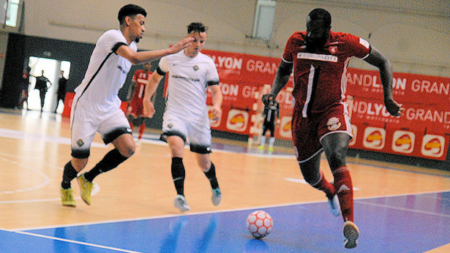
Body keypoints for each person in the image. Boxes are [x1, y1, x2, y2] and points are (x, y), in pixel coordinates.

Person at [265, 8, 404, 249]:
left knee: (337, 155)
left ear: (328, 31)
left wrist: (388, 97)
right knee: (310, 176)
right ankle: (329, 190)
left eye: (315, 31)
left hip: (332, 111)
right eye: (308, 28)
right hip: (302, 118)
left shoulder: (345, 43)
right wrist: (273, 92)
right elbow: (283, 70)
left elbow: (383, 62)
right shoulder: (296, 41)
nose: (309, 34)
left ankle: (349, 223)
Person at [59, 4, 194, 207]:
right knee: (79, 161)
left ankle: (88, 179)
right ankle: (65, 185)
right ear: (128, 21)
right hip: (87, 106)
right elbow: (134, 59)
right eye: (141, 23)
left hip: (110, 107)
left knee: (128, 148)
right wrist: (170, 50)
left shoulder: (134, 46)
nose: (144, 28)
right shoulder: (112, 37)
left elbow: (134, 55)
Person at [143, 22, 223, 212]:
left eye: (202, 41)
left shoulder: (207, 63)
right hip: (175, 114)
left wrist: (217, 106)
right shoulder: (172, 57)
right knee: (176, 150)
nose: (198, 45)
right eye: (195, 40)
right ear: (187, 38)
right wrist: (147, 98)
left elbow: (216, 90)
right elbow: (155, 78)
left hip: (198, 119)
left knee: (204, 163)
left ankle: (215, 185)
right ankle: (180, 196)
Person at [126, 62, 153, 145]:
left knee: (142, 119)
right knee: (130, 117)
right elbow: (133, 85)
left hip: (144, 101)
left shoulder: (151, 75)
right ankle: (130, 137)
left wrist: (151, 102)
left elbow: (153, 90)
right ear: (143, 65)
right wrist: (129, 97)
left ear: (150, 66)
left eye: (148, 64)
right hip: (135, 99)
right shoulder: (138, 73)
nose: (147, 66)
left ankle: (139, 138)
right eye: (145, 64)